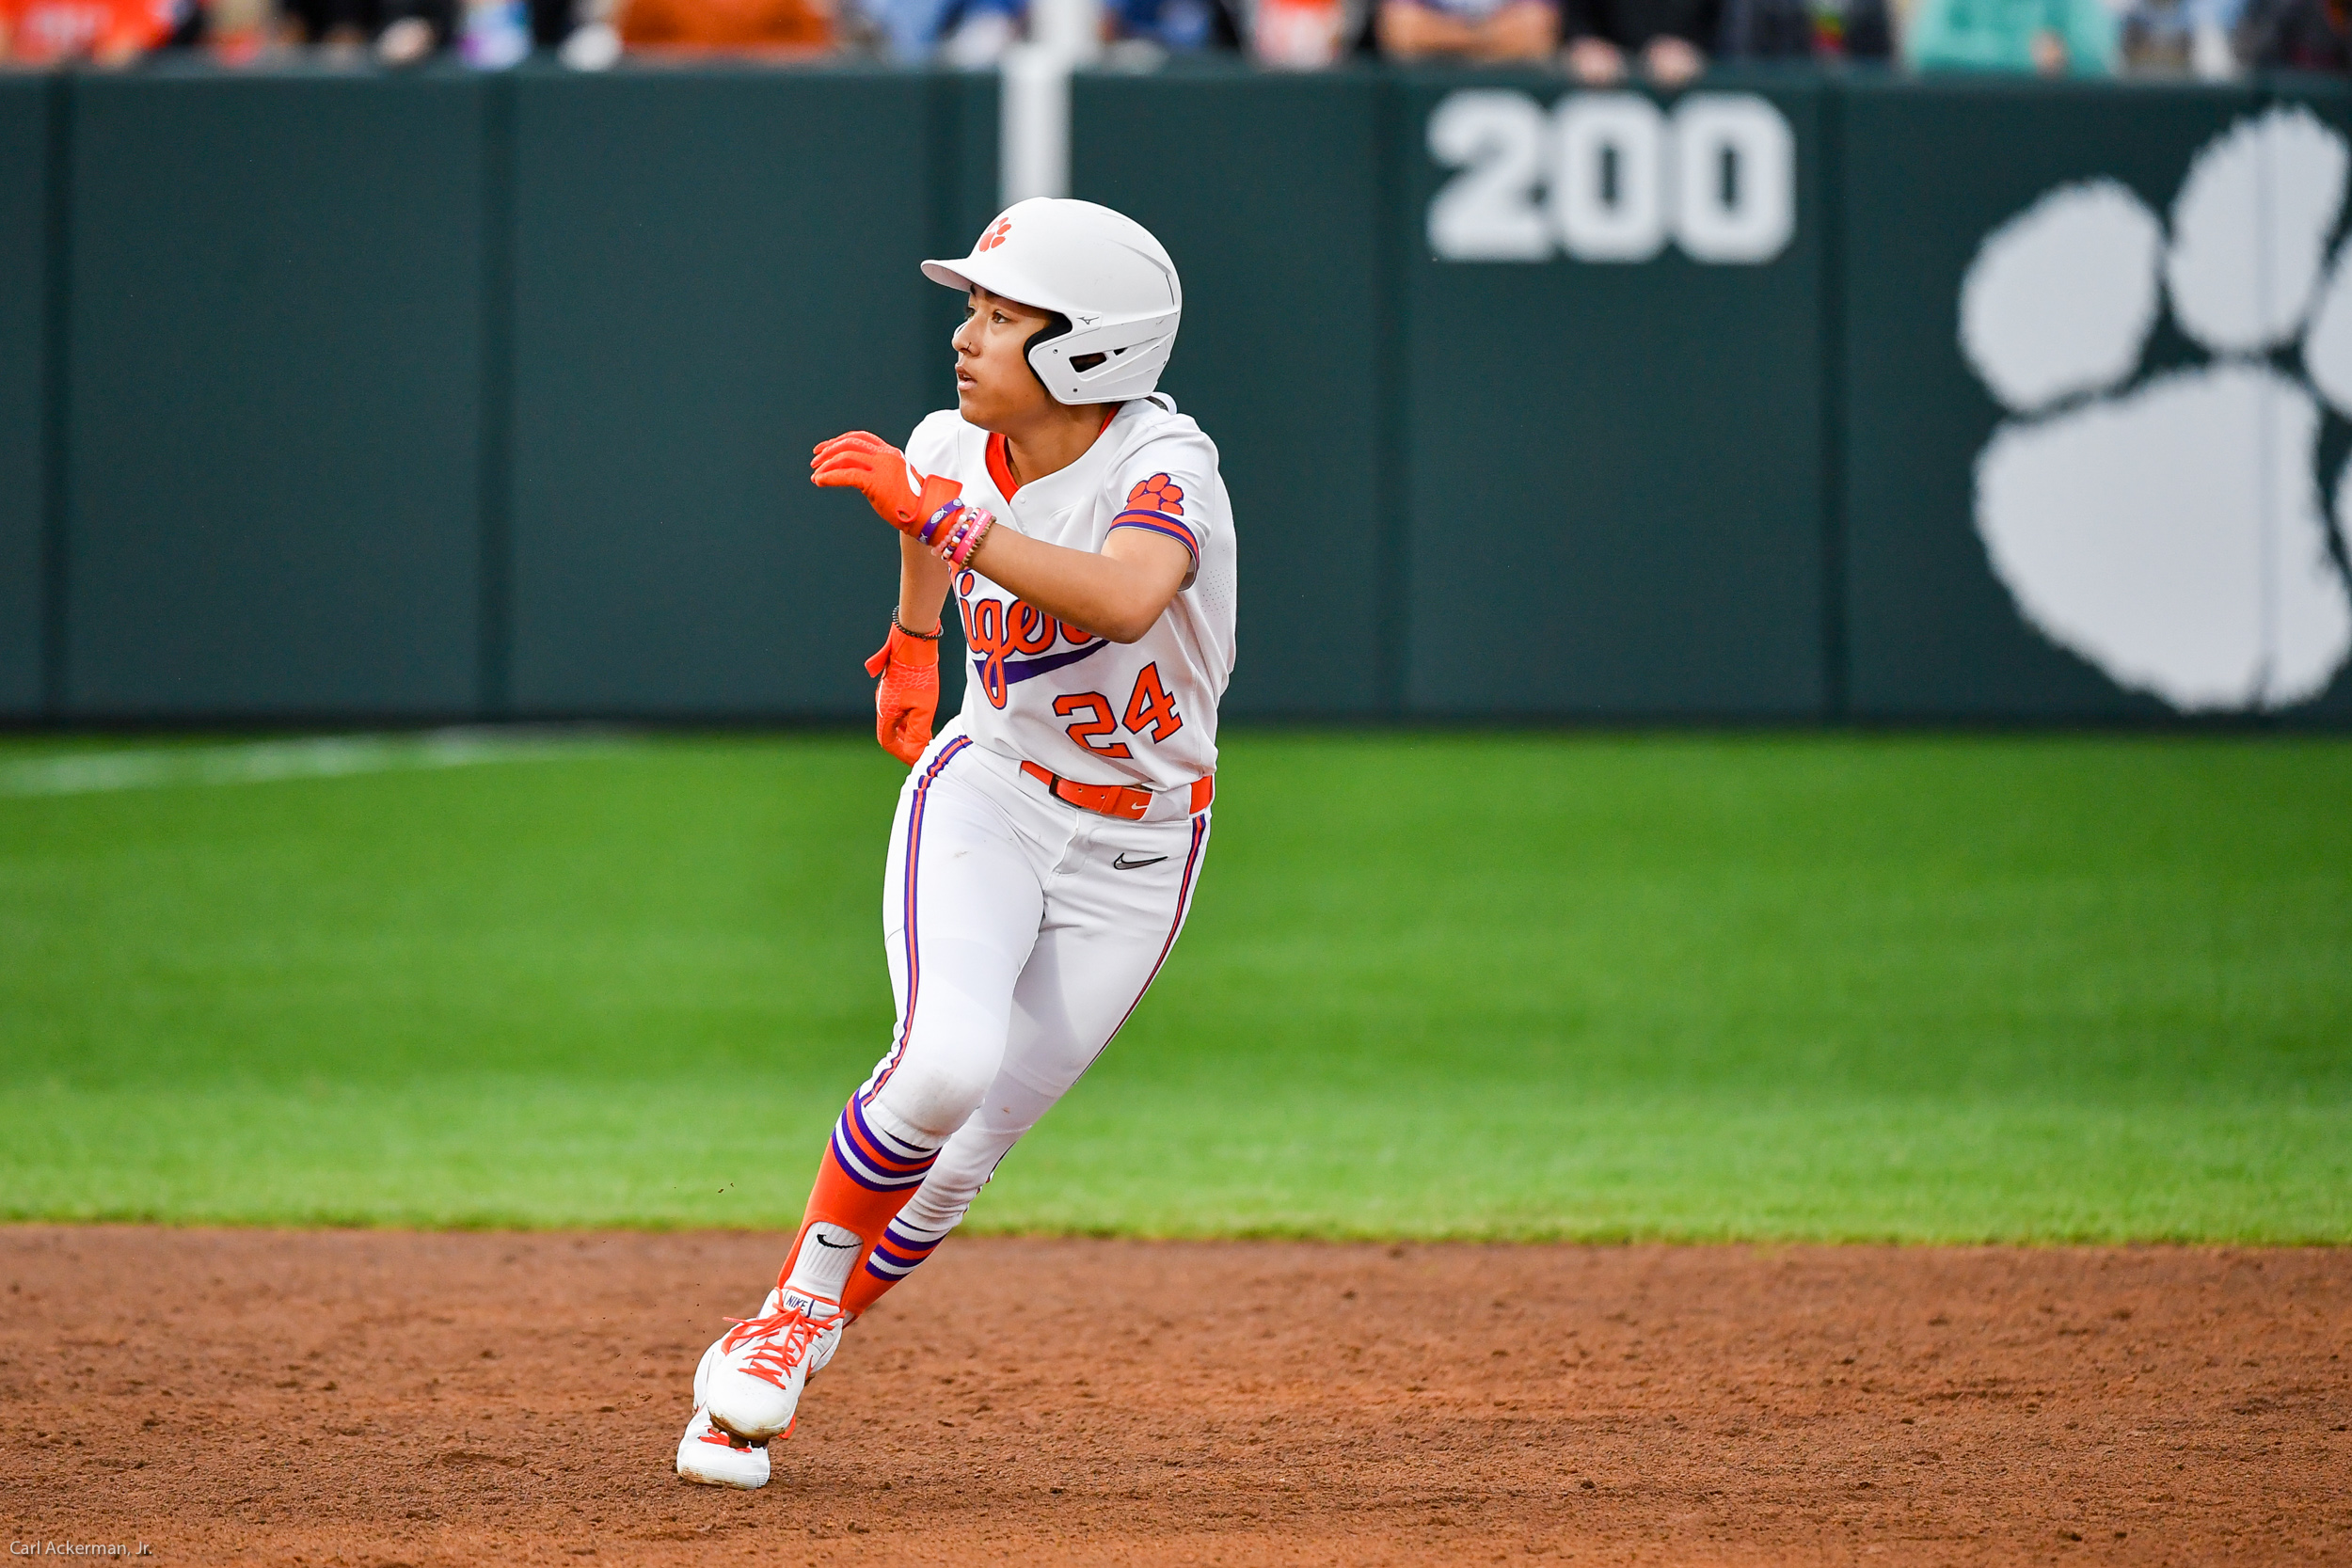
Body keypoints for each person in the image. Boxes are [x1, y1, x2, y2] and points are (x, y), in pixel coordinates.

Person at [675, 198, 1234, 1490]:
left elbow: (1133, 592)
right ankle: (787, 1319)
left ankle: (776, 1354)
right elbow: (929, 521)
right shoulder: (952, 442)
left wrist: (946, 521)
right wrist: (915, 641)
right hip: (990, 788)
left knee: (967, 1152)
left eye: (1000, 314)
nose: (966, 335)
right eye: (971, 307)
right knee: (940, 1064)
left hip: (1145, 849)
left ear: (1089, 348)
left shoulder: (1167, 465)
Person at [1902, 0, 2119, 72]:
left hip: (2052, 126)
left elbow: (2096, 55)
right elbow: (1925, 49)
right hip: (1966, 124)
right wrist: (2023, 54)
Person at [1559, 0, 1715, 84]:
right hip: (1606, 88)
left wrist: (1693, 51)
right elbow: (1575, 19)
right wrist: (1585, 43)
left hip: (1688, 88)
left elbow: (1727, 30)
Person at [1376, 0, 1558, 61]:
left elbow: (1536, 32)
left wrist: (1441, 33)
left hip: (1507, 77)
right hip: (1426, 77)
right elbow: (1401, 31)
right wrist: (1487, 36)